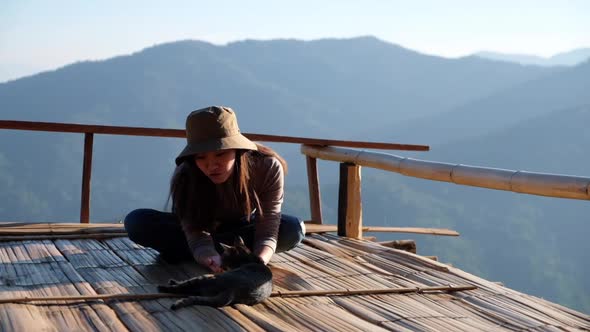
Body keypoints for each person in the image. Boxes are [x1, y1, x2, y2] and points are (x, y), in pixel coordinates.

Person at [124, 106, 305, 272]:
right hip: (198, 230)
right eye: (201, 157)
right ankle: (229, 255)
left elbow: (268, 226)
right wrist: (207, 255)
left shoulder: (267, 167)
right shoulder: (186, 173)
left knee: (293, 229)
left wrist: (258, 261)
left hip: (242, 231)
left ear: (237, 149)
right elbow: (194, 229)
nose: (212, 166)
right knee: (137, 222)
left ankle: (209, 253)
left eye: (220, 154)